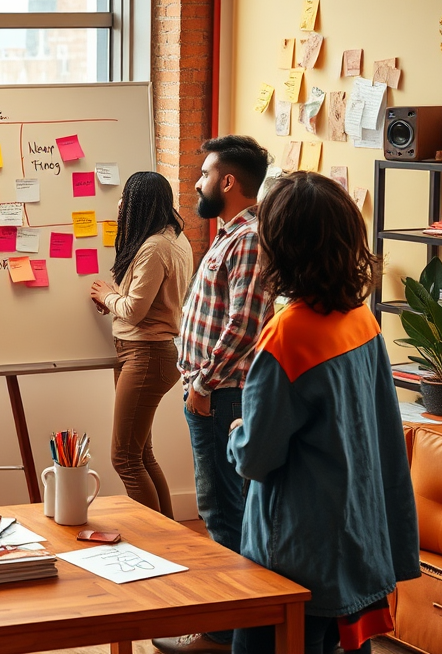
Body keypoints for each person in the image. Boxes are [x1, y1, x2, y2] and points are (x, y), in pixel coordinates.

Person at [227, 172, 420, 653]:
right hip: (356, 538)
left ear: (280, 247)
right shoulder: (362, 319)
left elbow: (256, 457)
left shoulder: (286, 335)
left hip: (295, 552)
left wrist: (237, 433)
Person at [154, 135, 272, 654]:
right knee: (221, 508)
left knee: (223, 511)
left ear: (228, 182)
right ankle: (233, 626)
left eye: (204, 174)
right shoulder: (230, 234)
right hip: (212, 390)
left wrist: (202, 382)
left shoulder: (247, 239)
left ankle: (224, 633)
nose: (196, 183)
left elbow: (244, 323)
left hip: (222, 393)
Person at [90, 171, 193, 517]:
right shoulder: (173, 239)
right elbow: (146, 301)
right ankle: (171, 535)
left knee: (124, 459)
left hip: (146, 354)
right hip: (144, 352)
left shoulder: (154, 248)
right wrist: (114, 298)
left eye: (125, 198)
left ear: (139, 203)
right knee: (141, 455)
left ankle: (153, 543)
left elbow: (134, 310)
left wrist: (107, 296)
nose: (119, 204)